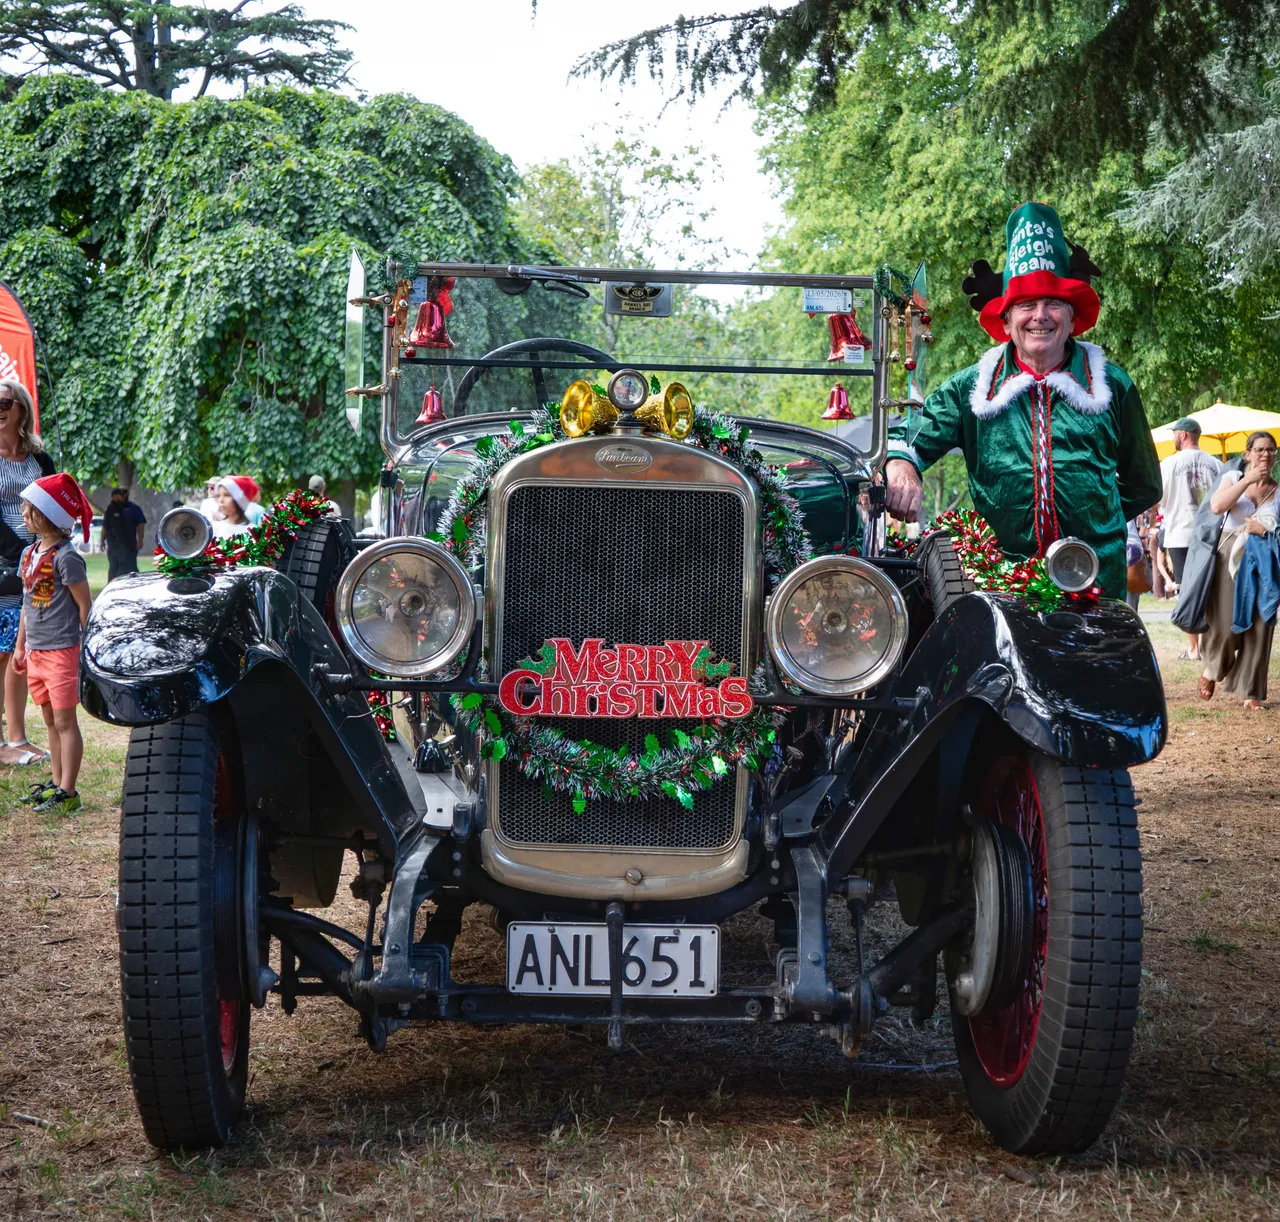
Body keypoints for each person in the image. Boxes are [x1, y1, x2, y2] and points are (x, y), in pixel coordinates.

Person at [884, 202, 1163, 599]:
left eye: (1053, 304)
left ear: (1072, 317)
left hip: (1095, 580)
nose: (1040, 316)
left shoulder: (1113, 385)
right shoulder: (971, 387)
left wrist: (1097, 520)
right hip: (1001, 584)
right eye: (1027, 305)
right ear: (1006, 319)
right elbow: (908, 438)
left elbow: (1145, 484)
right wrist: (901, 466)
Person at [12, 473, 93, 812]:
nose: (23, 514)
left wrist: (88, 648)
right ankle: (56, 784)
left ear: (47, 515)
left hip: (61, 651)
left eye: (28, 509)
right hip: (35, 651)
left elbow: (84, 605)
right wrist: (21, 646)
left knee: (64, 722)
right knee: (48, 720)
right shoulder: (29, 553)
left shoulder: (67, 557)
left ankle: (69, 792)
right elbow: (26, 604)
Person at [1198, 431, 1279, 710]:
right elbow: (1217, 506)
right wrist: (1247, 480)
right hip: (1230, 556)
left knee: (1262, 623)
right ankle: (1213, 668)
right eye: (1259, 449)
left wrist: (1265, 530)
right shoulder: (1233, 477)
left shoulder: (1279, 490)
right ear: (1247, 454)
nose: (1265, 455)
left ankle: (1251, 692)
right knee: (1224, 622)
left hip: (1265, 559)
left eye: (1271, 450)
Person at [0, 380, 56, 767]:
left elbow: (54, 503)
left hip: (36, 562)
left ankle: (16, 739)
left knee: (19, 652)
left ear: (21, 407)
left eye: (4, 403)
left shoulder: (40, 459)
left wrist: (47, 550)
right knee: (2, 654)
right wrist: (20, 553)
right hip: (6, 564)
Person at [1160, 418, 1222, 658]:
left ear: (1184, 435)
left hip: (1179, 534)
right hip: (1210, 535)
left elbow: (1159, 499)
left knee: (1187, 591)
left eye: (1175, 433)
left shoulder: (1168, 464)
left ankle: (1193, 648)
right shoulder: (1216, 464)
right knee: (1210, 589)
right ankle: (1208, 645)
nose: (1173, 437)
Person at [101, 485, 147, 580]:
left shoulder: (134, 509)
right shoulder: (111, 509)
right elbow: (105, 526)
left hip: (129, 545)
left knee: (129, 569)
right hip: (113, 546)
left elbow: (141, 524)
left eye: (123, 495)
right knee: (113, 570)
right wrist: (102, 541)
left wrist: (140, 540)